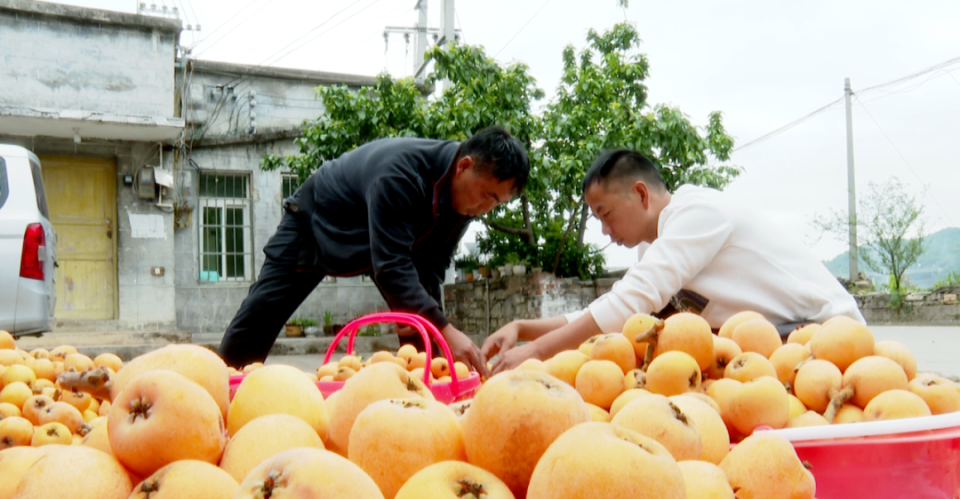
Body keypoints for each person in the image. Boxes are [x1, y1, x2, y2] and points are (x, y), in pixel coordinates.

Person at [482, 148, 865, 373]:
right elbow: (614, 311)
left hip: (826, 338)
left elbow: (631, 301)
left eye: (605, 213)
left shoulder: (697, 212)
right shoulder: (657, 247)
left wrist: (536, 352)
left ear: (641, 194)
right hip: (773, 350)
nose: (604, 231)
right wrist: (524, 327)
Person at [219, 126, 529, 372]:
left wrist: (439, 339)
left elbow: (431, 267)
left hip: (381, 244)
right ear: (464, 166)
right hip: (317, 219)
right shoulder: (400, 173)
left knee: (424, 334)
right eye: (488, 195)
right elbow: (392, 267)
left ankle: (427, 400)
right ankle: (221, 387)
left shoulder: (464, 204)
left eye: (496, 203)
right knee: (259, 315)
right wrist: (448, 330)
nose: (486, 208)